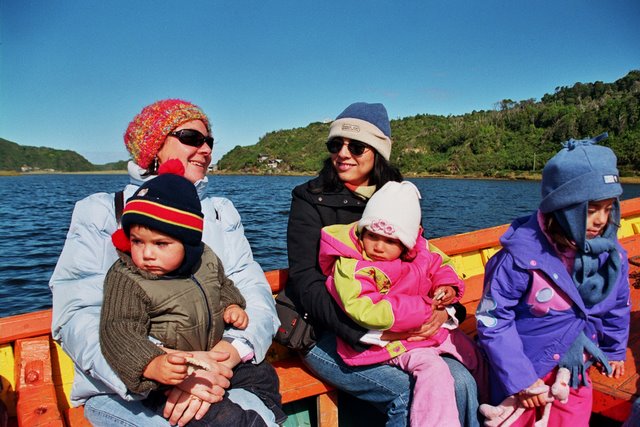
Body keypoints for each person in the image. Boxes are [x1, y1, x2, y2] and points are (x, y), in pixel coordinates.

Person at [49, 99, 282, 427]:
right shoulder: (101, 211)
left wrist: (234, 349)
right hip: (123, 386)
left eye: (208, 141)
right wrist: (165, 367)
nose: (205, 149)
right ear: (153, 147)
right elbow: (77, 314)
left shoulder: (221, 211)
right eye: (191, 138)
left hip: (221, 368)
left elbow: (249, 286)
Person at [286, 101, 481, 427]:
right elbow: (306, 279)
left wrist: (447, 312)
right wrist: (362, 332)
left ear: (377, 152)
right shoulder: (309, 197)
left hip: (399, 329)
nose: (343, 154)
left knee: (461, 379)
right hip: (325, 332)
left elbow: (423, 261)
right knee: (408, 392)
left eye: (357, 146)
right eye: (336, 144)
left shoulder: (398, 197)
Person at [100, 160, 282, 426]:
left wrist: (232, 306)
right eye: (137, 241)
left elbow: (222, 285)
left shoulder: (205, 259)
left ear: (188, 242)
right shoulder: (128, 277)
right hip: (166, 374)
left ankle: (269, 418)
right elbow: (118, 331)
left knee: (265, 376)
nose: (147, 253)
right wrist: (153, 365)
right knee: (223, 418)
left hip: (211, 355)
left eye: (161, 244)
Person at [476, 133, 630, 426]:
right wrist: (521, 379)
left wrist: (613, 348)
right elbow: (494, 320)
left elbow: (618, 304)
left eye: (609, 208)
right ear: (563, 210)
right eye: (592, 210)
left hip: (574, 369)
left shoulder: (611, 255)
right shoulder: (521, 257)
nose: (602, 220)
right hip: (523, 368)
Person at [318, 180, 487, 426]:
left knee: (474, 355)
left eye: (389, 241)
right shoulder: (353, 265)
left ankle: (492, 410)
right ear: (362, 232)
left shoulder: (420, 250)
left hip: (426, 332)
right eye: (372, 236)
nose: (378, 246)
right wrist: (425, 309)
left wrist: (447, 288)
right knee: (434, 372)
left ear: (406, 242)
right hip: (389, 344)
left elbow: (442, 265)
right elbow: (365, 309)